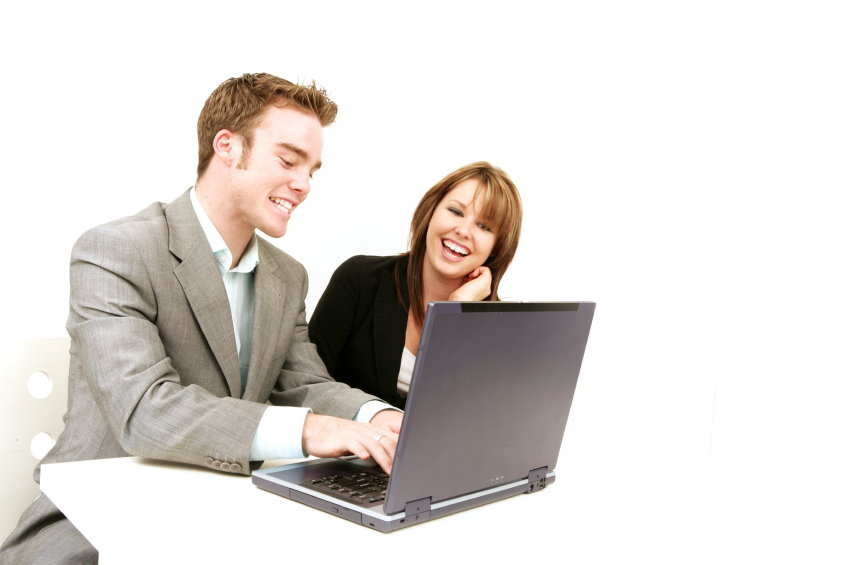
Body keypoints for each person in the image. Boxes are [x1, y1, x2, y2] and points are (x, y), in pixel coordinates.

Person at [0, 73, 403, 565]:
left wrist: (380, 418)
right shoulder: (115, 250)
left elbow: (303, 384)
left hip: (221, 513)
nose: (303, 185)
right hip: (98, 524)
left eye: (312, 170)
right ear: (227, 146)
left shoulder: (287, 276)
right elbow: (145, 410)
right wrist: (309, 430)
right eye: (288, 160)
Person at [308, 162, 523, 409]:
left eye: (484, 226)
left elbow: (465, 417)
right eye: (456, 211)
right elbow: (306, 384)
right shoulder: (358, 279)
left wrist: (456, 314)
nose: (463, 231)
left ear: (497, 247)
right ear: (430, 213)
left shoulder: (502, 331)